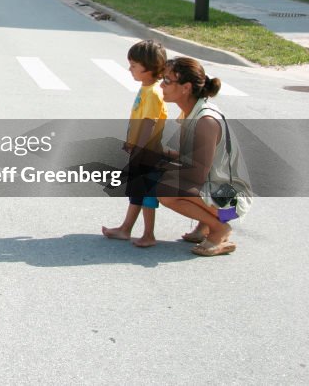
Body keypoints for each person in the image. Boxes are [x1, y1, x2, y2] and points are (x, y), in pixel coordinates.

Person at [157, 57, 242, 256]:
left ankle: (219, 229)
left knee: (165, 189)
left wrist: (160, 166)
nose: (161, 84)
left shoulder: (205, 121)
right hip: (220, 190)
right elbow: (191, 158)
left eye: (167, 80)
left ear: (186, 88)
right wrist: (160, 153)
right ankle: (205, 225)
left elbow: (196, 174)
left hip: (231, 203)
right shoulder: (191, 112)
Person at [102, 40, 168, 247]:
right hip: (141, 151)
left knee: (148, 196)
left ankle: (149, 234)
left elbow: (149, 124)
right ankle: (125, 229)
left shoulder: (153, 93)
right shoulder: (146, 88)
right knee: (137, 192)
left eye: (133, 66)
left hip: (148, 154)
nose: (129, 69)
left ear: (149, 68)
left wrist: (138, 150)